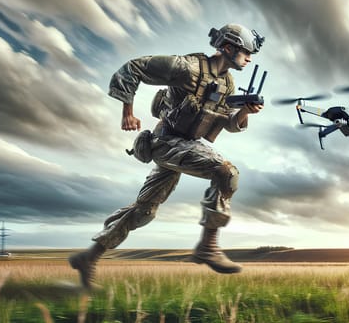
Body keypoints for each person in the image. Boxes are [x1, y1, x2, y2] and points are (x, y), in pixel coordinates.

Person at [69, 23, 265, 288]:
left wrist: (245, 112)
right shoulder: (187, 68)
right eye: (245, 52)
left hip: (186, 146)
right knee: (226, 172)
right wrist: (128, 111)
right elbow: (134, 67)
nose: (249, 58)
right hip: (166, 142)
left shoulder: (227, 84)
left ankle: (88, 258)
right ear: (228, 48)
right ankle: (208, 247)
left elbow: (227, 124)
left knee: (143, 211)